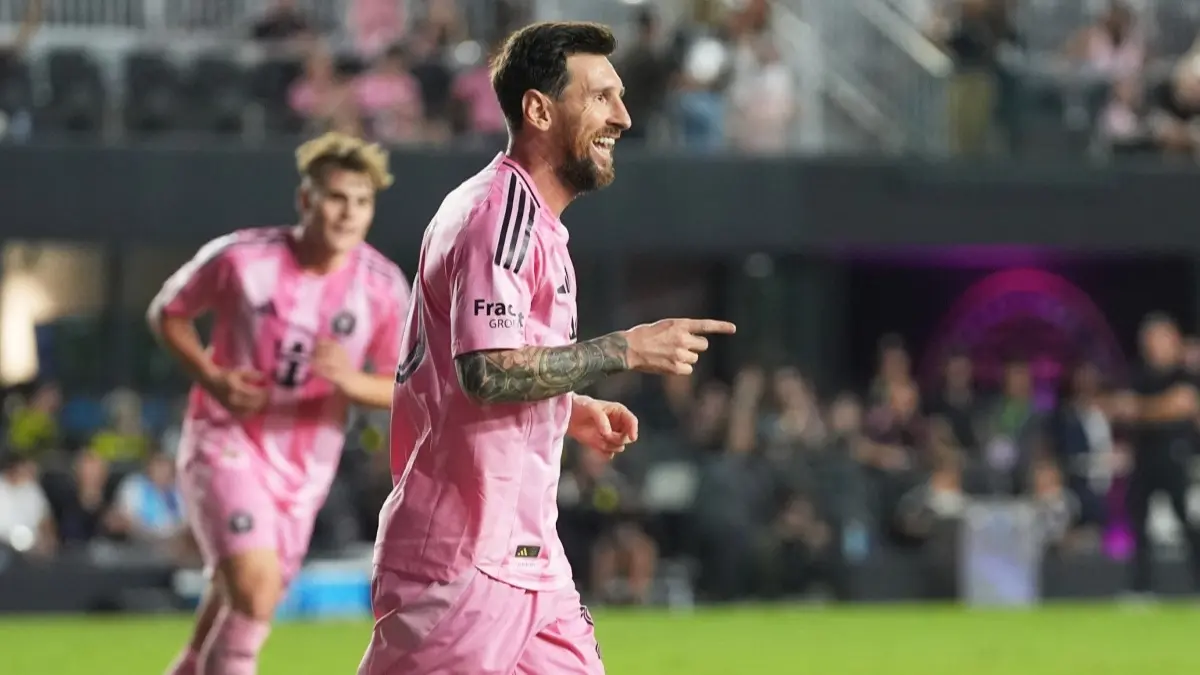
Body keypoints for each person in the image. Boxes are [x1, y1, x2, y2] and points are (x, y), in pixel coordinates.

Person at [360, 21, 736, 675]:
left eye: (620, 97)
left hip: (531, 560)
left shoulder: (536, 224)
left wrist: (569, 405)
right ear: (538, 109)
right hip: (462, 563)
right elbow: (485, 371)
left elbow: (491, 361)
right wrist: (624, 348)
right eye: (600, 97)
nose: (621, 116)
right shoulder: (497, 215)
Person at [149, 132, 410, 675]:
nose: (348, 213)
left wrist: (349, 381)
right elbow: (167, 312)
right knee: (257, 589)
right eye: (336, 197)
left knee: (236, 603)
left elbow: (405, 386)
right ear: (305, 200)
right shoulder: (242, 259)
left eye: (362, 202)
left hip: (306, 470)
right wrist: (213, 378)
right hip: (226, 439)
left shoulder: (383, 287)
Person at [1114, 313, 1200, 597]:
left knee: (1188, 522)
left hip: (1175, 456)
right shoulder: (1139, 374)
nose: (1154, 344)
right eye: (1150, 339)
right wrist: (1157, 408)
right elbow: (1123, 408)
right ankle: (1141, 589)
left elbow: (1182, 405)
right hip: (1144, 457)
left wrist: (1144, 410)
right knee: (1137, 523)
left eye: (1161, 337)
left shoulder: (1185, 373)